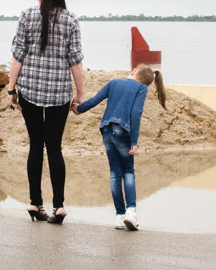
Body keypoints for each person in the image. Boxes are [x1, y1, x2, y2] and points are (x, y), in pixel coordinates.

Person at [7, 0, 84, 225]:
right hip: (59, 93)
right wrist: (80, 94)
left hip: (29, 90)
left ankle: (35, 203)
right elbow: (75, 61)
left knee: (35, 146)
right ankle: (58, 206)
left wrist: (11, 89)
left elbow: (18, 55)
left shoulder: (27, 15)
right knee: (54, 148)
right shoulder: (71, 20)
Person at [71, 64, 166, 230]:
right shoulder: (141, 89)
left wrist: (79, 109)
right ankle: (131, 212)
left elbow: (94, 100)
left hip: (106, 130)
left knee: (115, 173)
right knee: (128, 171)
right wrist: (134, 142)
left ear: (133, 71)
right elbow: (135, 114)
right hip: (122, 131)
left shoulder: (114, 83)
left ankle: (119, 216)